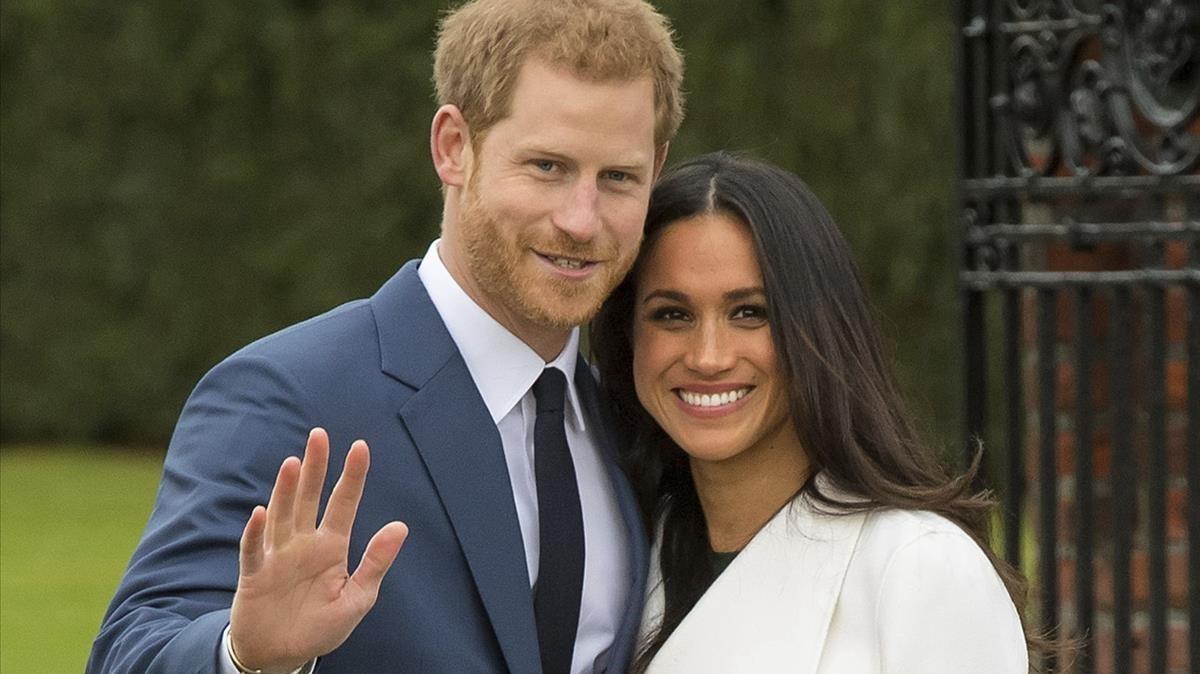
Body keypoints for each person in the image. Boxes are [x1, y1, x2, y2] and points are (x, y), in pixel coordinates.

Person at [87, 1, 683, 673]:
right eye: (547, 166)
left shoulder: (631, 425)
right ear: (454, 147)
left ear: (655, 170)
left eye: (618, 178)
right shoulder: (285, 397)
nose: (581, 219)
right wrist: (244, 657)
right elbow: (130, 653)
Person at [591, 152, 1035, 673]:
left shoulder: (918, 566)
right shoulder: (619, 554)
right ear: (629, 337)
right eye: (672, 314)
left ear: (817, 330)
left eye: (750, 313)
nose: (707, 356)